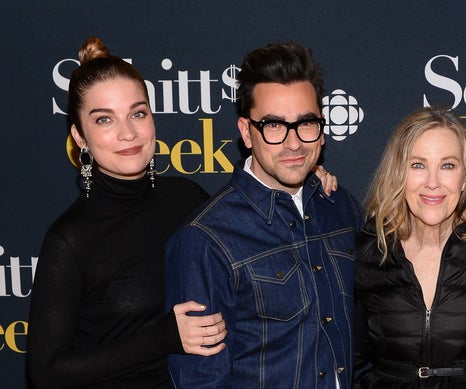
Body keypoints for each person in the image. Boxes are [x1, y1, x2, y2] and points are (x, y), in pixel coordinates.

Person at [26, 36, 228, 388]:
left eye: (138, 113)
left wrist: (300, 181)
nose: (128, 132)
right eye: (104, 120)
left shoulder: (187, 197)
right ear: (80, 137)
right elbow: (46, 372)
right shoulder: (70, 240)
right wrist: (161, 338)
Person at [163, 41, 364, 388]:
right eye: (273, 126)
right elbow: (200, 380)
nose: (294, 143)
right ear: (246, 132)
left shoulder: (340, 207)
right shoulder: (206, 239)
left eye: (306, 123)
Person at [353, 106, 466, 388]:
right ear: (398, 173)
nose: (432, 183)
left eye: (448, 165)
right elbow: (339, 355)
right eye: (418, 165)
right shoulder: (367, 252)